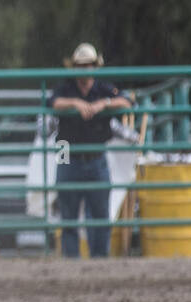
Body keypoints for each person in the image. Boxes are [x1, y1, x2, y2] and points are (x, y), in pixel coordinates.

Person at [50, 43, 131, 258]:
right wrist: (75, 103)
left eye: (88, 65)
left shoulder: (103, 89)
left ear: (95, 66)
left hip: (95, 153)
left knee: (100, 214)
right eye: (81, 65)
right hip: (66, 151)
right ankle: (72, 260)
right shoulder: (66, 88)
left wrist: (103, 104)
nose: (85, 70)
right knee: (68, 213)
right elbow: (53, 102)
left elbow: (127, 100)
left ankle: (98, 260)